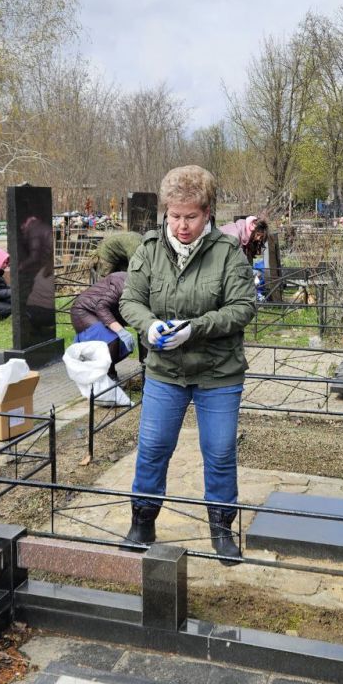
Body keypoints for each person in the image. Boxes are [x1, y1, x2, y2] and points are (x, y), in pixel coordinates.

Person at [119, 165, 256, 565]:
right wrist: (149, 326)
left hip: (218, 373)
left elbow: (243, 307)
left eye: (191, 216)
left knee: (218, 451)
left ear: (208, 211)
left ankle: (221, 530)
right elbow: (131, 301)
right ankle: (142, 522)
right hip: (165, 372)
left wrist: (194, 329)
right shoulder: (148, 250)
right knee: (153, 448)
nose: (181, 225)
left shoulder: (227, 253)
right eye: (174, 216)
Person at [70, 271, 136, 379]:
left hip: (100, 312)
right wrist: (120, 331)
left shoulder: (139, 285)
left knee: (123, 345)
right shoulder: (122, 285)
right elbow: (101, 307)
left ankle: (99, 367)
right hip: (84, 311)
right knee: (112, 340)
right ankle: (107, 375)